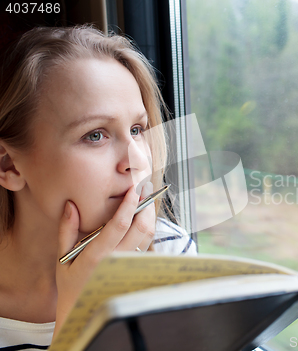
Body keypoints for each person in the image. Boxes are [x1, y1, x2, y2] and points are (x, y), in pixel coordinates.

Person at [0, 25, 196, 350]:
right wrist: (82, 316)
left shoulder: (170, 250)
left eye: (137, 129)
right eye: (95, 135)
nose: (137, 162)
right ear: (8, 165)